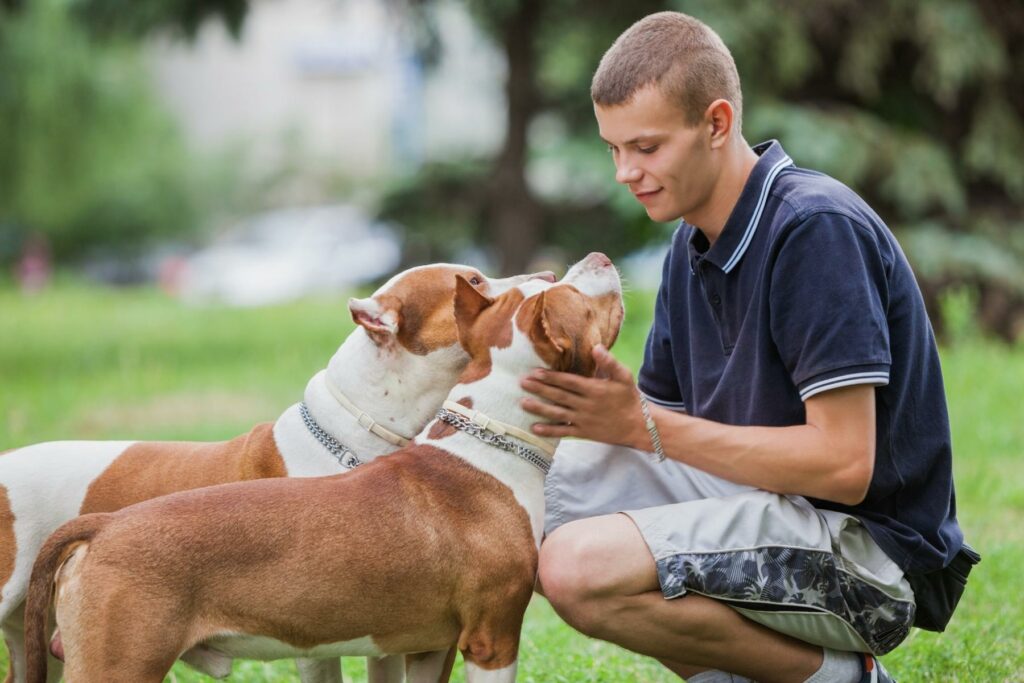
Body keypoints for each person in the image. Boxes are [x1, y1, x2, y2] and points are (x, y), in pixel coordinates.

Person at [521, 11, 974, 683]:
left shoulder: (815, 229)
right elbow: (663, 444)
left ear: (716, 123)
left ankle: (849, 679)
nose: (624, 172)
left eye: (645, 147)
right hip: (759, 505)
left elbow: (845, 464)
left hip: (871, 559)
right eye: (614, 148)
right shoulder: (688, 246)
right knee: (519, 507)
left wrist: (640, 423)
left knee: (575, 565)